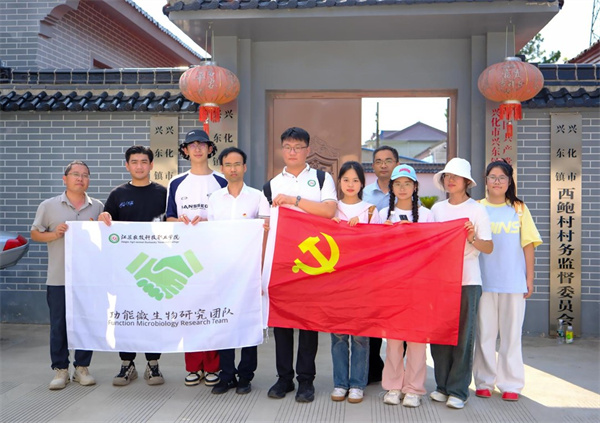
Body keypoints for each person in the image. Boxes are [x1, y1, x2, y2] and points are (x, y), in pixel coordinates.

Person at [264, 127, 337, 403]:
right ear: (282, 150)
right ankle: (284, 378)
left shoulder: (321, 178)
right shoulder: (271, 185)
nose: (292, 152)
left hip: (312, 262)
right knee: (281, 323)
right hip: (282, 262)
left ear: (307, 150)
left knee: (308, 323)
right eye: (287, 147)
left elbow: (329, 211)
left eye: (297, 147)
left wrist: (294, 201)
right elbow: (265, 227)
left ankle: (306, 380)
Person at [97, 145, 167, 387]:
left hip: (155, 267)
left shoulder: (162, 193)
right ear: (127, 165)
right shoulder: (117, 194)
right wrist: (103, 218)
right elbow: (106, 226)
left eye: (144, 161)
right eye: (134, 162)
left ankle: (153, 364)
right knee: (125, 315)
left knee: (153, 314)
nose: (139, 166)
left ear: (151, 165)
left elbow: (172, 225)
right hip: (125, 269)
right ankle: (127, 364)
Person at [31, 160, 104, 390]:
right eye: (75, 174)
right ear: (65, 179)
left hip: (87, 279)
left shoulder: (97, 207)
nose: (80, 178)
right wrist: (55, 234)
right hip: (58, 277)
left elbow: (104, 239)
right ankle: (60, 369)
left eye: (85, 175)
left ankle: (82, 368)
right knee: (58, 325)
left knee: (86, 324)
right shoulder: (48, 206)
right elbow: (35, 233)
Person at [473, 160, 542, 402]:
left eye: (502, 177)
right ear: (486, 180)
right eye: (493, 177)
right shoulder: (477, 208)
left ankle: (511, 384)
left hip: (513, 282)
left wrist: (529, 278)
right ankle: (484, 381)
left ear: (509, 181)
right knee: (485, 334)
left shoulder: (519, 208)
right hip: (484, 281)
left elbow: (528, 244)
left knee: (512, 336)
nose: (497, 181)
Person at [428, 157, 493, 409]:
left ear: (467, 182)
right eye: (447, 176)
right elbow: (428, 242)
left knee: (463, 337)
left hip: (468, 280)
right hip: (440, 281)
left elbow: (488, 247)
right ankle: (442, 386)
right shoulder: (437, 210)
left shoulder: (477, 210)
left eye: (456, 176)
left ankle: (458, 390)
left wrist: (472, 237)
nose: (450, 180)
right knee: (439, 335)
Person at [165, 129, 227, 387]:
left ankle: (213, 366)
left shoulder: (222, 180)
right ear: (185, 150)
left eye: (202, 144)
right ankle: (193, 366)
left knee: (211, 311)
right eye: (192, 145)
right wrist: (179, 221)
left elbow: (228, 218)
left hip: (214, 256)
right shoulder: (176, 182)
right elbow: (168, 217)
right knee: (189, 310)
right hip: (185, 257)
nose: (198, 148)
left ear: (211, 149)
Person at [207, 147, 270, 396]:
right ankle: (226, 375)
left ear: (244, 167)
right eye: (228, 164)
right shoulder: (214, 198)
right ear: (222, 168)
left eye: (237, 164)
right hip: (222, 271)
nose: (233, 169)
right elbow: (209, 236)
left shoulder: (257, 197)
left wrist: (261, 273)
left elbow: (264, 236)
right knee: (224, 322)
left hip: (248, 272)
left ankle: (245, 376)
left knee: (247, 323)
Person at [379, 164, 433, 408]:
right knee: (393, 339)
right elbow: (373, 248)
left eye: (407, 183)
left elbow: (434, 247)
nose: (402, 188)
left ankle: (413, 388)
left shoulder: (427, 215)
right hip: (392, 284)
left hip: (420, 284)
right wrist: (384, 234)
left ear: (415, 187)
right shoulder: (383, 215)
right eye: (398, 183)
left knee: (417, 339)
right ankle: (393, 386)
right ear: (391, 187)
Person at [329, 161, 381, 404]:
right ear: (339, 182)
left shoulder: (370, 211)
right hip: (336, 282)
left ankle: (358, 384)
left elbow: (379, 245)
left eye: (355, 180)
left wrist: (360, 231)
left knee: (360, 336)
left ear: (362, 184)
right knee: (338, 335)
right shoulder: (331, 209)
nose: (350, 185)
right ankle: (340, 383)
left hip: (363, 281)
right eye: (346, 180)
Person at [362, 145, 399, 384]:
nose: (383, 165)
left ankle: (396, 370)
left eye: (388, 160)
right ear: (373, 166)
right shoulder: (365, 194)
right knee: (372, 320)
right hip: (372, 268)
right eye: (378, 161)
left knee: (398, 319)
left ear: (397, 164)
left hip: (400, 268)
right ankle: (374, 367)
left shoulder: (407, 194)